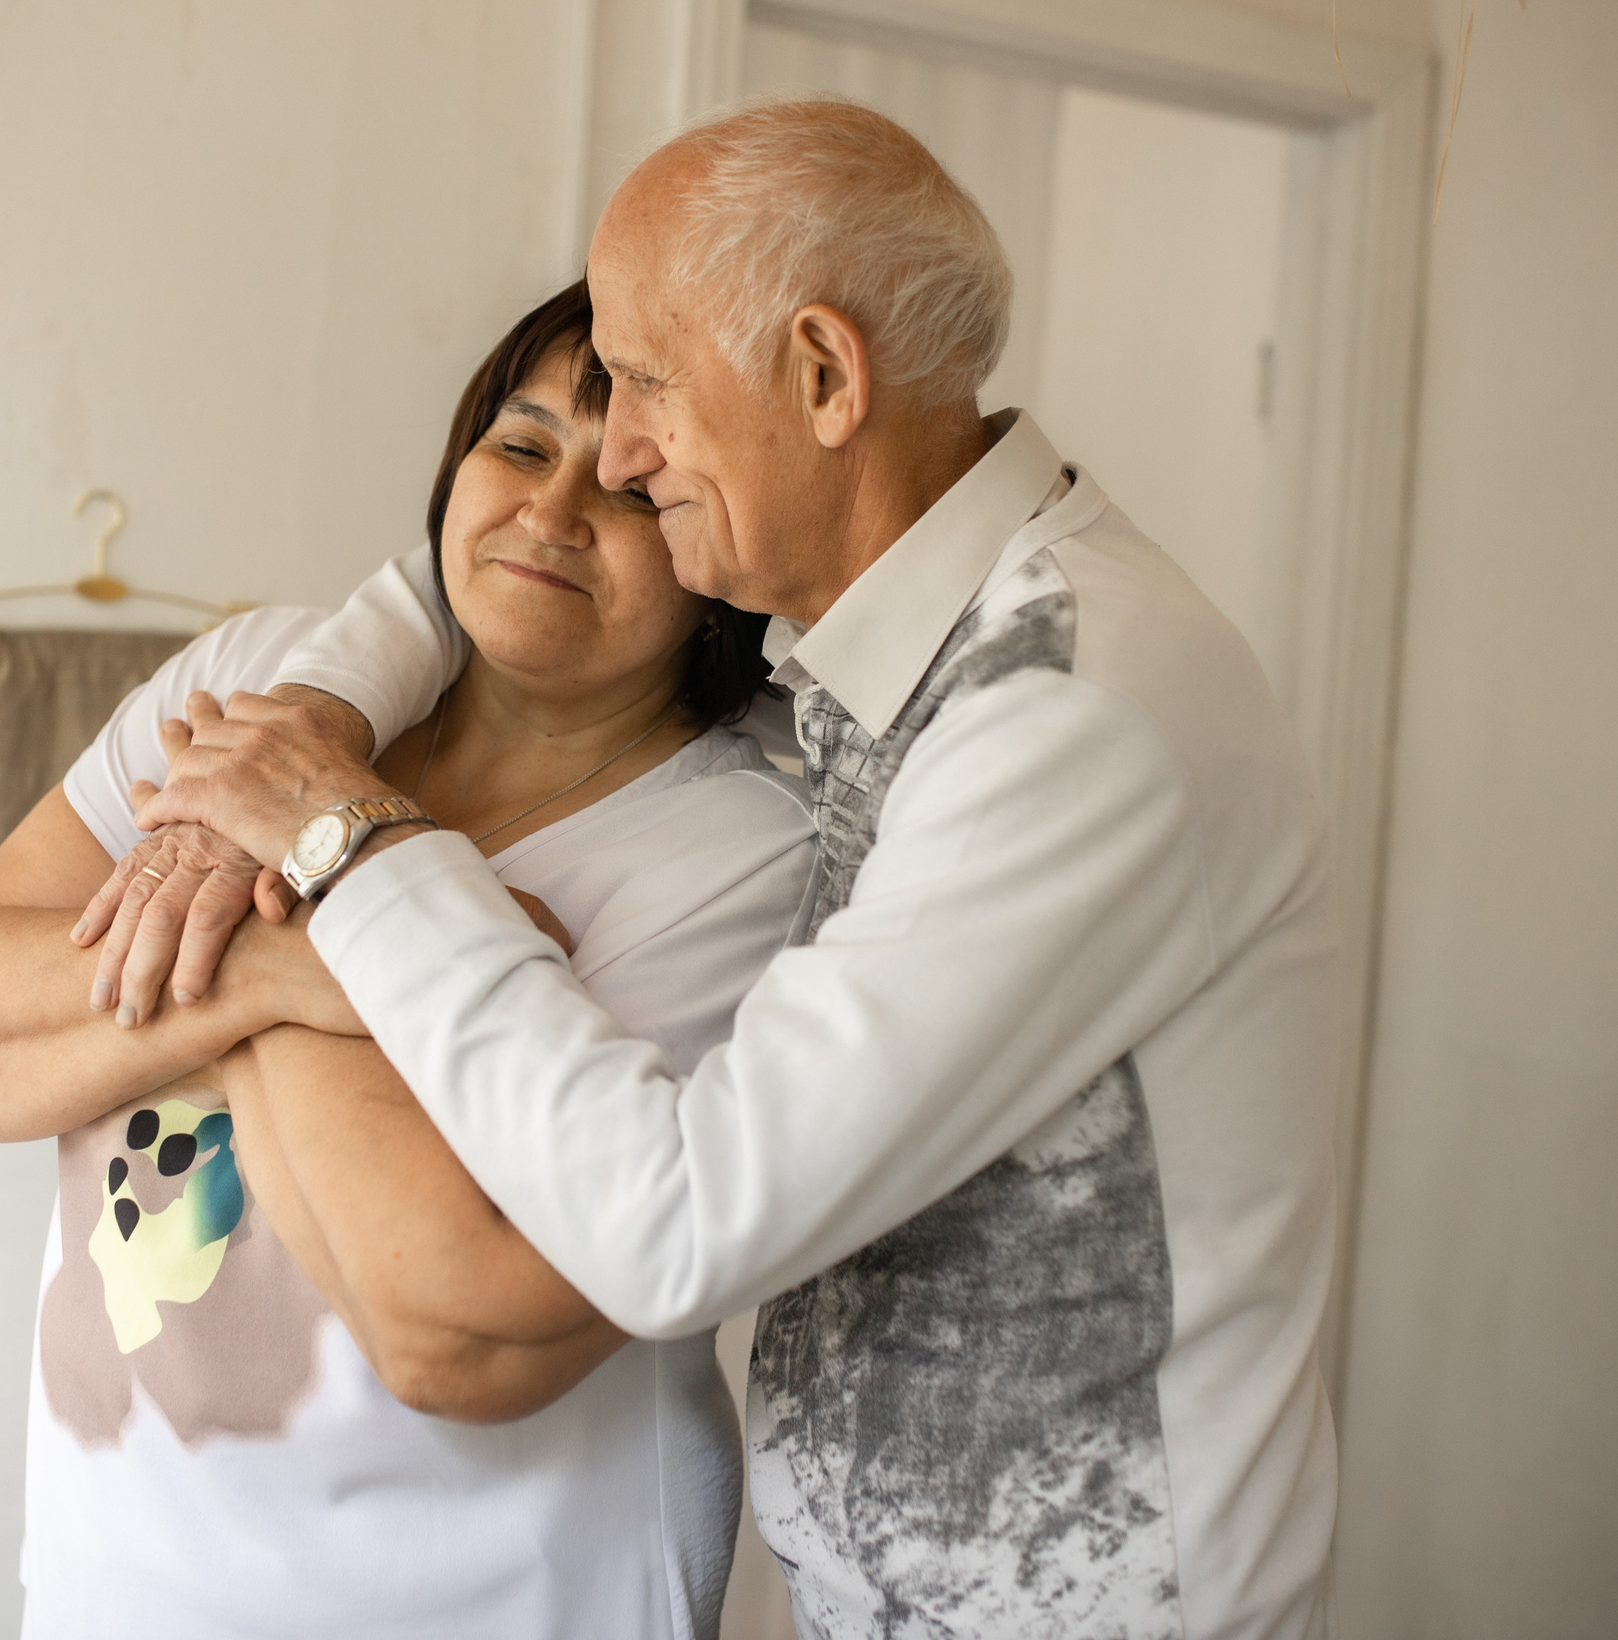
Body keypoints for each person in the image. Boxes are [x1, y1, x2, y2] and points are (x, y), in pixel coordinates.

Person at [117, 96, 1344, 1637]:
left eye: (640, 383)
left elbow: (674, 1223)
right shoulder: (895, 645)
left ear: (825, 377)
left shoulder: (1064, 713)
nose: (618, 457)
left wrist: (340, 842)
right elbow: (514, 587)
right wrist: (330, 691)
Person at [0, 280, 816, 1639]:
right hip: (109, 1592)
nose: (552, 513)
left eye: (626, 487)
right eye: (520, 442)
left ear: (713, 547)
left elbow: (449, 1327)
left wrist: (284, 868)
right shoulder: (259, 683)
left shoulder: (738, 852)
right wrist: (291, 960)